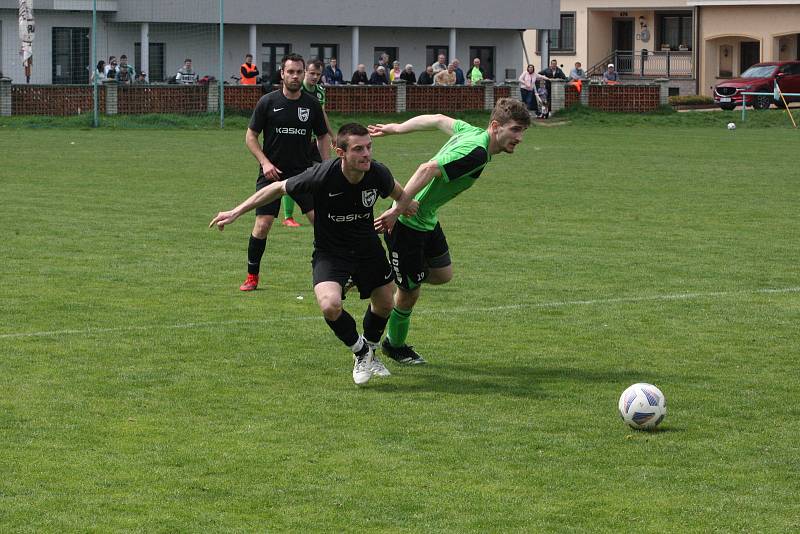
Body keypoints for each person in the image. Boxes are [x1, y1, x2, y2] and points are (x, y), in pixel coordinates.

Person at [210, 123, 417, 385]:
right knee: (330, 305)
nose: (366, 154)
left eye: (369, 147)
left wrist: (401, 209)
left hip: (368, 249)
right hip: (331, 252)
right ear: (340, 152)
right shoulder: (321, 175)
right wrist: (236, 211)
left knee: (386, 303)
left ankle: (372, 350)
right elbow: (277, 188)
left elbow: (402, 195)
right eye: (358, 149)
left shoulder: (377, 173)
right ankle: (361, 351)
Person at [367, 99, 531, 364]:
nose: (520, 137)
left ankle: (388, 275)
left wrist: (396, 128)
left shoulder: (472, 132)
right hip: (408, 223)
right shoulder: (476, 152)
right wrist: (399, 208)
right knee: (409, 292)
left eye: (522, 131)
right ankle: (394, 345)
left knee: (442, 275)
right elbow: (427, 168)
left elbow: (437, 118)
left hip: (427, 218)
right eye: (515, 130)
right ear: (495, 126)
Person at [238, 53, 331, 292]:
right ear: (282, 73)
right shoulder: (268, 102)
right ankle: (252, 276)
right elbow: (250, 136)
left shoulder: (311, 104)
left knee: (321, 224)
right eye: (290, 72)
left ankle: (331, 274)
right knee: (263, 224)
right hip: (272, 173)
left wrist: (324, 166)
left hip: (302, 173)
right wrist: (265, 163)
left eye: (299, 72)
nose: (295, 76)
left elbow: (322, 135)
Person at [280, 59, 332, 228]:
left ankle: (322, 209)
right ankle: (288, 216)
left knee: (323, 174)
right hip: (297, 143)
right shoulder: (295, 89)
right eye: (311, 73)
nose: (314, 77)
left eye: (318, 74)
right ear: (305, 73)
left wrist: (331, 135)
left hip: (313, 142)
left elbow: (321, 115)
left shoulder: (320, 91)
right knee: (291, 178)